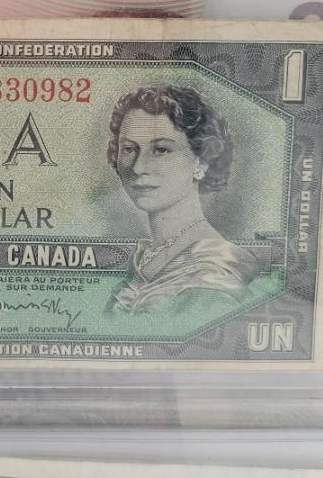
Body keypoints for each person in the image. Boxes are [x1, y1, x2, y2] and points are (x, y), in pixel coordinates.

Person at [107, 83, 262, 313]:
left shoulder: (214, 276)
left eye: (161, 150)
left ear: (202, 161)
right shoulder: (144, 259)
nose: (138, 167)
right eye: (129, 149)